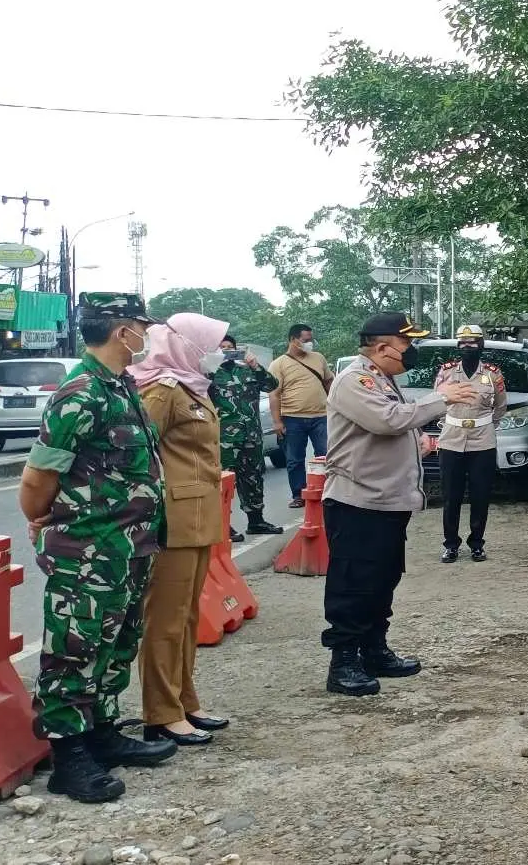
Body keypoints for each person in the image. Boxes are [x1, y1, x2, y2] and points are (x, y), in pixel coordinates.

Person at [21, 293, 177, 802]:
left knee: (116, 644)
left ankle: (102, 734)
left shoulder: (121, 385)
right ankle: (69, 756)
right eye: (140, 326)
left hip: (128, 547)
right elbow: (39, 475)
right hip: (87, 550)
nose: (145, 334)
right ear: (120, 331)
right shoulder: (81, 392)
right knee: (73, 648)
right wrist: (44, 519)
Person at [322, 313, 477, 697]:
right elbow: (388, 420)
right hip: (358, 500)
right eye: (407, 344)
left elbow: (395, 426)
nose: (411, 352)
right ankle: (343, 662)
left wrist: (418, 439)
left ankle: (374, 649)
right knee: (354, 583)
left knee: (382, 579)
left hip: (387, 500)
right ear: (381, 347)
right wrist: (442, 398)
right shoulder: (353, 380)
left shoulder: (383, 378)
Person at [132, 313, 231, 747]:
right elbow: (137, 451)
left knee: (188, 617)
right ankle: (161, 711)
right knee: (165, 620)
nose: (217, 353)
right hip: (171, 518)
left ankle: (185, 699)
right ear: (188, 346)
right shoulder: (163, 390)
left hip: (197, 517)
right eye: (210, 345)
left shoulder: (190, 384)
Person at [433, 325, 506, 564]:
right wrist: (449, 424)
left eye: (472, 342)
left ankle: (477, 544)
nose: (467, 346)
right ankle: (451, 545)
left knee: (480, 495)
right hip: (452, 440)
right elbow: (438, 402)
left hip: (482, 441)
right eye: (462, 342)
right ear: (458, 346)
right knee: (451, 497)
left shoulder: (493, 374)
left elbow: (500, 408)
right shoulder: (446, 372)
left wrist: (484, 425)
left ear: (481, 344)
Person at [209, 334, 282, 543]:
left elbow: (271, 385)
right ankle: (224, 525)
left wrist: (254, 364)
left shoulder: (247, 370)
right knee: (224, 482)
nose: (226, 351)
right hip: (225, 438)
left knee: (253, 478)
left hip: (251, 435)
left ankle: (256, 521)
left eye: (230, 347)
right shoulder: (211, 373)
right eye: (221, 347)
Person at [270, 324, 333, 509]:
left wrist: (338, 404)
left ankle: (327, 491)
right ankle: (299, 494)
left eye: (310, 340)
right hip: (292, 418)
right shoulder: (279, 364)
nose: (309, 344)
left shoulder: (318, 358)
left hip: (321, 416)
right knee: (294, 459)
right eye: (305, 340)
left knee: (326, 455)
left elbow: (329, 382)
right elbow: (274, 394)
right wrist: (277, 421)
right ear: (293, 340)